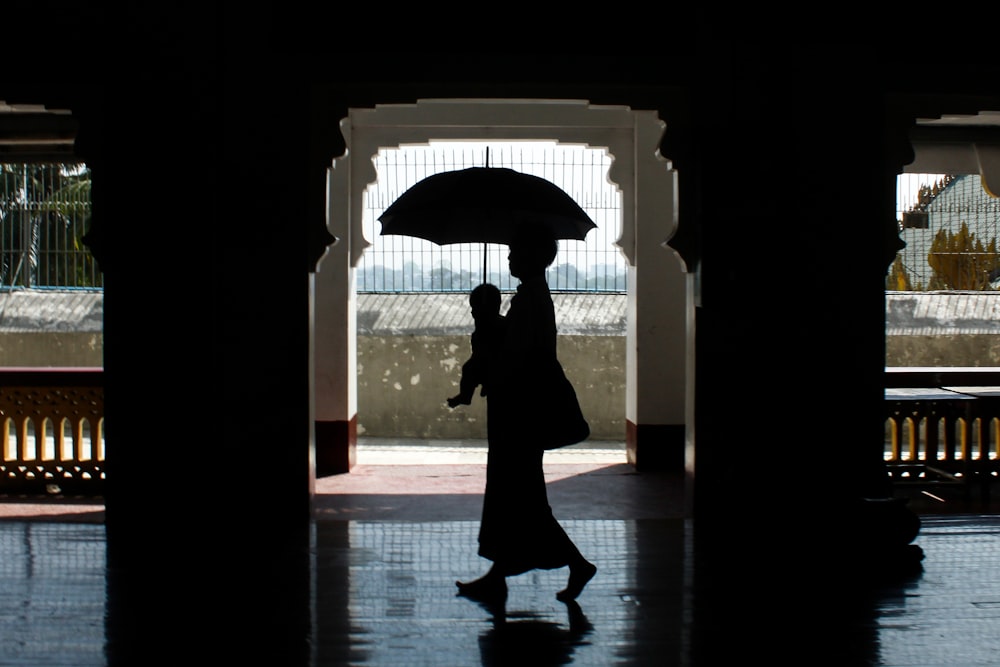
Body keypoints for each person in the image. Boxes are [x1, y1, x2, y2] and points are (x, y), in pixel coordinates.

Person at [456, 223, 597, 605]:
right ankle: (498, 577)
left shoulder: (530, 301)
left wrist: (488, 346)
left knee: (521, 497)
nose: (508, 257)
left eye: (515, 251)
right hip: (518, 410)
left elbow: (516, 358)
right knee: (516, 495)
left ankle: (576, 564)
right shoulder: (532, 298)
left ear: (532, 257)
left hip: (519, 413)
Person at [447, 283, 504, 408]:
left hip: (493, 367)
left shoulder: (492, 328)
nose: (472, 313)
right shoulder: (500, 324)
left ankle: (465, 396)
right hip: (490, 367)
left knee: (468, 369)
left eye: (475, 309)